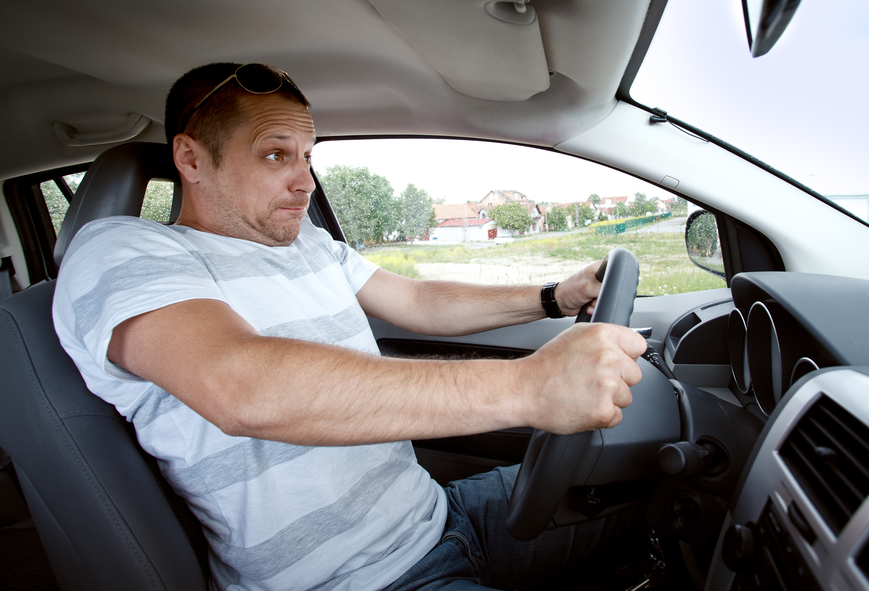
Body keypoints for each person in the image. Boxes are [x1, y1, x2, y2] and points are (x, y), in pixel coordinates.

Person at [53, 63, 646, 591]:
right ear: (190, 159)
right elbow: (241, 385)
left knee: (660, 481)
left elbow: (419, 300)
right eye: (275, 154)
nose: (304, 182)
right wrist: (530, 387)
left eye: (308, 156)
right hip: (355, 578)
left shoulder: (308, 243)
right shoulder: (123, 251)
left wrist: (553, 296)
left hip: (439, 514)